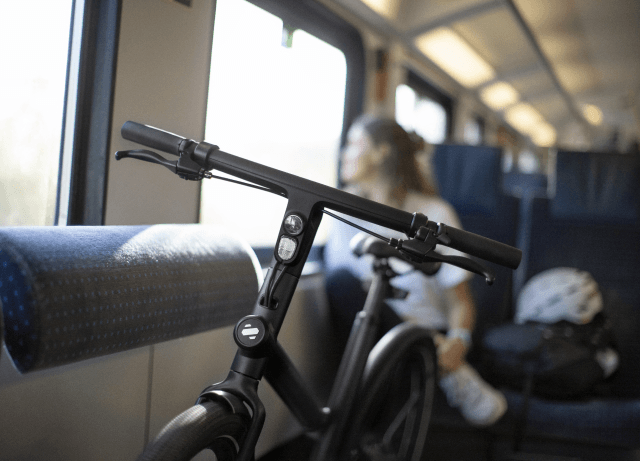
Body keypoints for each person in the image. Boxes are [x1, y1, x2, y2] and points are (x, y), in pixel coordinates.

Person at [324, 114, 507, 426]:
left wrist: (458, 342)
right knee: (342, 285)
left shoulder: (434, 213)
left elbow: (460, 300)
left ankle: (446, 366)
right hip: (368, 331)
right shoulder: (344, 210)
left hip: (424, 335)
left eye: (354, 145)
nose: (344, 153)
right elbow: (349, 291)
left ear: (381, 152)